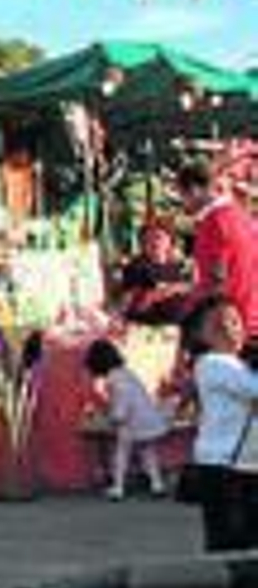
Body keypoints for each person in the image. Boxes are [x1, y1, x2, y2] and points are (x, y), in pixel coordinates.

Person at [184, 295, 258, 552]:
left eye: (235, 321)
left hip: (242, 464)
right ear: (200, 335)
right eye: (218, 325)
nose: (230, 329)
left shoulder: (238, 364)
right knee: (230, 543)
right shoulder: (212, 363)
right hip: (224, 466)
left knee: (243, 540)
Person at [180, 161, 258, 342]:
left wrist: (191, 311)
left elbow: (217, 279)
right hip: (249, 318)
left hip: (228, 328)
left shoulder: (213, 222)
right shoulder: (243, 215)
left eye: (183, 195)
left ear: (194, 190)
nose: (183, 204)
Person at [83, 338, 169, 499]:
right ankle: (157, 485)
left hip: (131, 422)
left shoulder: (113, 380)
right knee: (148, 452)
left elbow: (122, 403)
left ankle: (118, 487)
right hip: (148, 418)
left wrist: (114, 417)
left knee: (121, 453)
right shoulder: (127, 373)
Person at [119, 220, 191, 325]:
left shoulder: (177, 268)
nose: (155, 243)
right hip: (146, 327)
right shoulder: (136, 267)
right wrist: (164, 292)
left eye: (159, 237)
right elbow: (130, 305)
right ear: (142, 244)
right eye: (148, 239)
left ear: (170, 241)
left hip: (176, 328)